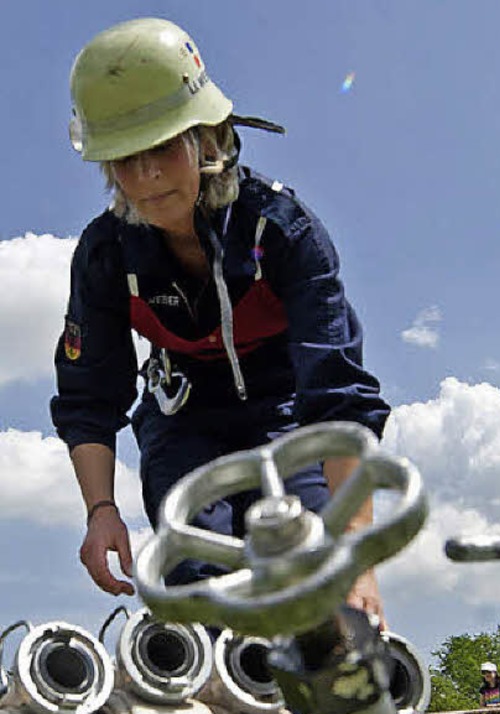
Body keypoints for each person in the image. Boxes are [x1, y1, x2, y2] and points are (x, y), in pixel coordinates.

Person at [51, 17, 390, 623]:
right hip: (183, 420)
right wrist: (101, 510)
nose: (147, 175)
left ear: (207, 139)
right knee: (197, 574)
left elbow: (338, 400)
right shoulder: (106, 254)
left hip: (291, 415)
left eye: (161, 147)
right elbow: (88, 398)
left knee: (315, 572)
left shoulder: (283, 232)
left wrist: (355, 558)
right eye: (126, 159)